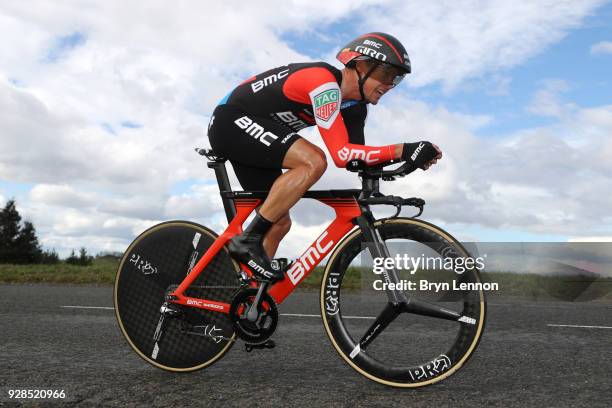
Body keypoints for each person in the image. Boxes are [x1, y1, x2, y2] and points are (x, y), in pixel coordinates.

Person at [207, 32, 442, 281]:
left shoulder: (354, 109)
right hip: (230, 120)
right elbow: (341, 154)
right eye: (386, 74)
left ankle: (244, 296)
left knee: (279, 223)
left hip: (258, 134)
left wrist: (407, 160)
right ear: (360, 65)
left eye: (397, 79)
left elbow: (355, 160)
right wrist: (402, 149)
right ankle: (247, 241)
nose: (389, 85)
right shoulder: (324, 83)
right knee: (313, 161)